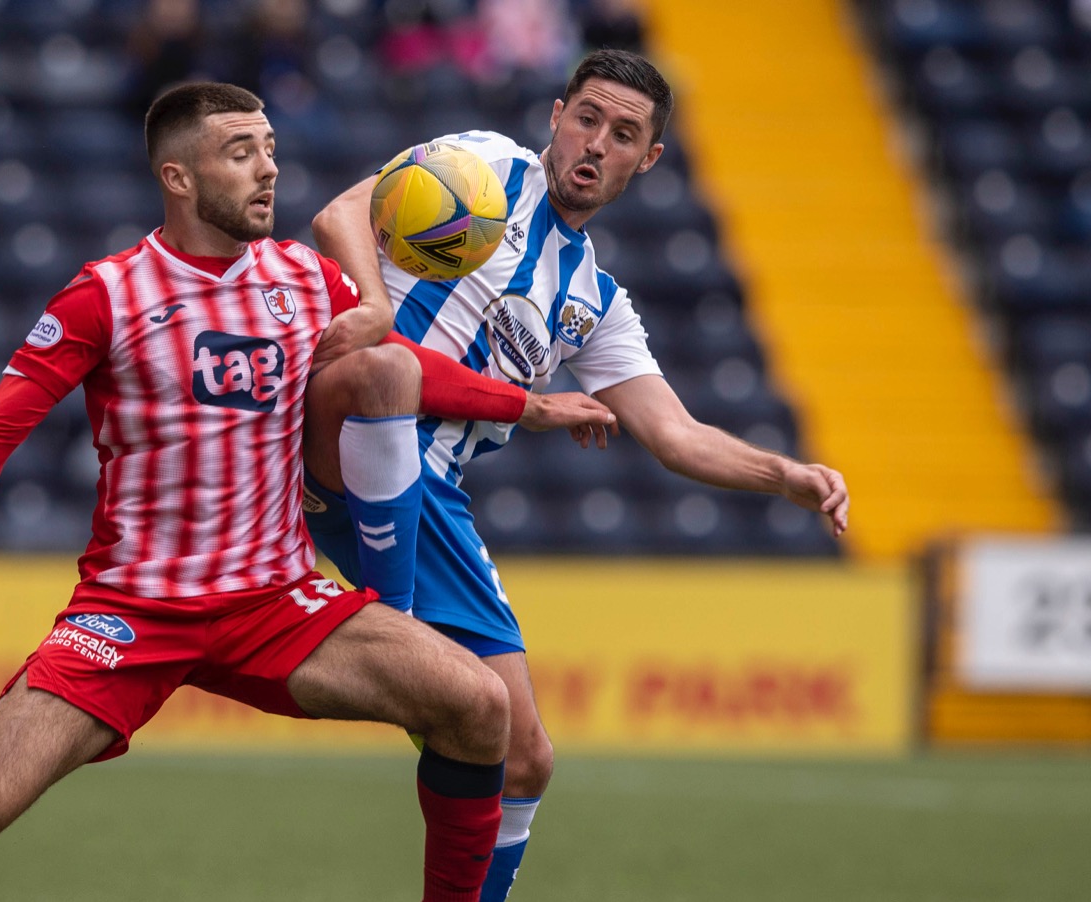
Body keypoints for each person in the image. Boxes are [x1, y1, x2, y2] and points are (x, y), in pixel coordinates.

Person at [0, 81, 616, 902]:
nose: (267, 171)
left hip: (274, 604)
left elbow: (411, 371)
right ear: (178, 177)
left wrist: (527, 405)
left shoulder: (305, 280)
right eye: (241, 154)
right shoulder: (107, 294)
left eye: (270, 149)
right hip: (132, 611)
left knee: (480, 705)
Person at [308, 49, 851, 902]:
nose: (597, 143)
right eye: (588, 119)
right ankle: (388, 627)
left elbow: (674, 435)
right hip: (343, 421)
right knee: (382, 379)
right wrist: (376, 308)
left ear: (649, 159)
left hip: (430, 495)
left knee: (523, 757)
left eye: (624, 134)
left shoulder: (595, 301)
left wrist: (786, 474)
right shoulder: (484, 165)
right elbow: (342, 213)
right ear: (556, 115)